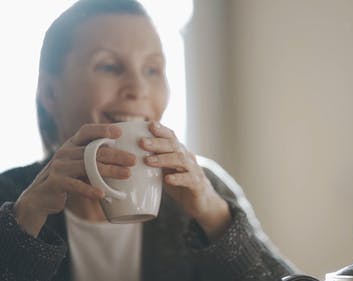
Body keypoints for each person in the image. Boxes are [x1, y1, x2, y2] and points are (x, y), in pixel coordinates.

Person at [0, 1, 295, 280]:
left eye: (153, 69)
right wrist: (21, 230)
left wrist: (216, 218)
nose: (138, 88)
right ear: (51, 93)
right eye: (109, 66)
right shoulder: (10, 198)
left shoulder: (208, 189)